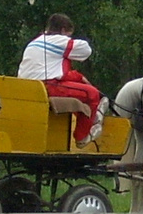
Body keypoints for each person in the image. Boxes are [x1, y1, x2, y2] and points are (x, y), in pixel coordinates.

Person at [19, 13, 104, 144]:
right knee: (92, 94)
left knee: (77, 87)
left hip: (28, 86)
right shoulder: (59, 41)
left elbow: (59, 73)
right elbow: (86, 50)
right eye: (68, 34)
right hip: (46, 86)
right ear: (63, 30)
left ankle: (84, 120)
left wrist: (80, 78)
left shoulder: (33, 43)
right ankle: (82, 136)